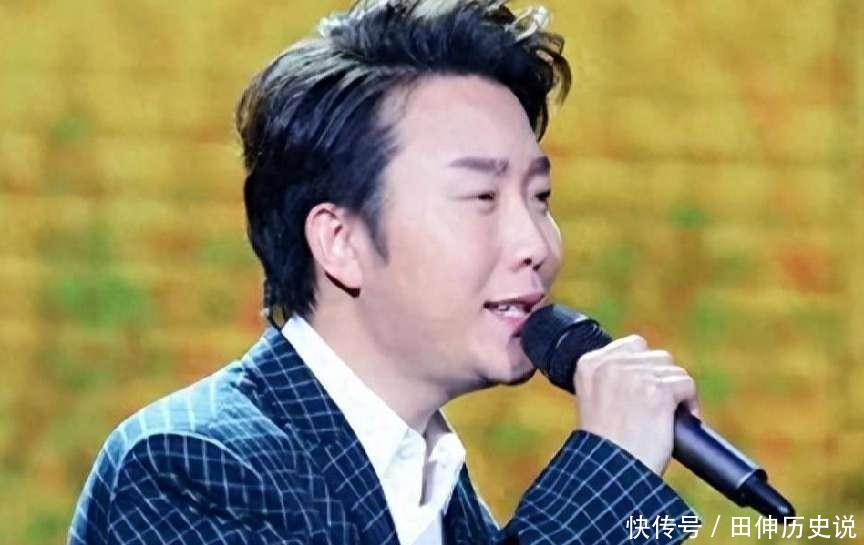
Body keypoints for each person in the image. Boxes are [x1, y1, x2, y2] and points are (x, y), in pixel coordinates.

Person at [68, 1, 701, 544]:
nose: (536, 243)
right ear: (339, 242)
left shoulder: (439, 493)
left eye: (540, 198)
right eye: (482, 197)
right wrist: (608, 473)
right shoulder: (190, 466)